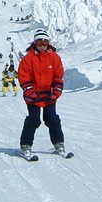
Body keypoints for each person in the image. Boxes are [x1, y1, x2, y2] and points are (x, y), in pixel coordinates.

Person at [18, 28, 67, 158]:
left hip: (49, 96)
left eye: (45, 44)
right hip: (33, 96)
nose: (42, 47)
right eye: (39, 44)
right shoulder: (28, 58)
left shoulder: (54, 57)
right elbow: (24, 76)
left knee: (52, 118)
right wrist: (30, 91)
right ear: (35, 43)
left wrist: (56, 90)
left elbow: (58, 75)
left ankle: (59, 143)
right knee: (34, 119)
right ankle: (25, 145)